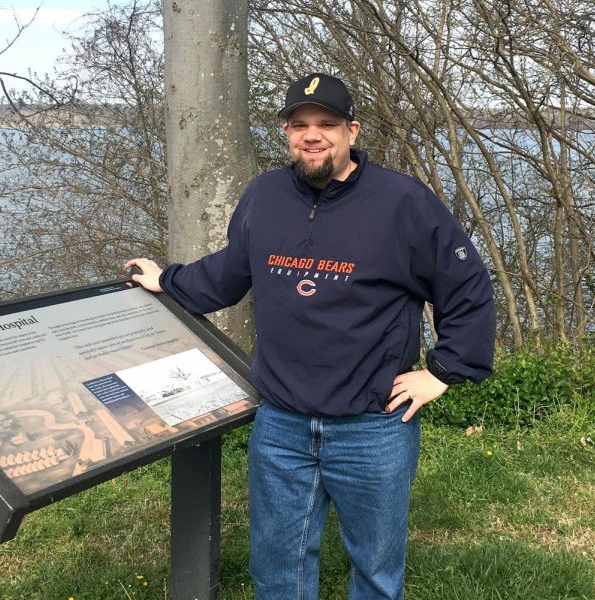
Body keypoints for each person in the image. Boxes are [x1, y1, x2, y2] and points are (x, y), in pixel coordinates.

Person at [125, 72, 495, 600]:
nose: (312, 135)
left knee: (374, 569)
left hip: (373, 424)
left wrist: (443, 370)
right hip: (282, 424)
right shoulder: (265, 195)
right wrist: (168, 279)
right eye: (299, 125)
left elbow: (467, 285)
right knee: (278, 567)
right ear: (286, 133)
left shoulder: (401, 201)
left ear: (352, 131)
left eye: (327, 124)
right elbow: (229, 272)